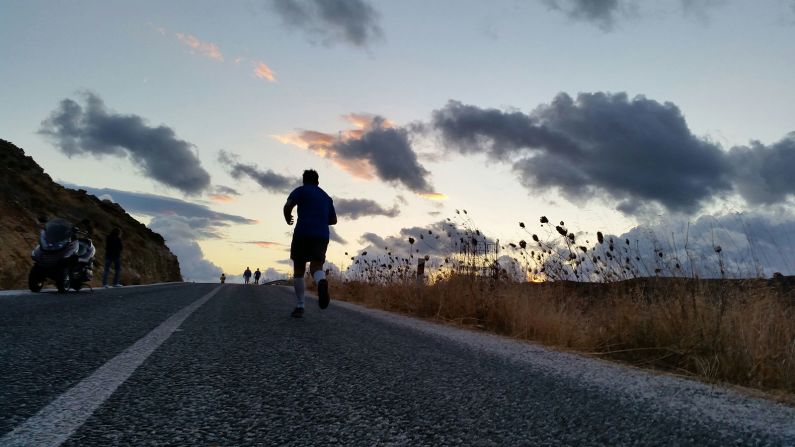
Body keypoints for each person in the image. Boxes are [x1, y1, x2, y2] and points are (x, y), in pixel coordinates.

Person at [284, 169, 337, 318]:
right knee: (316, 266)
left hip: (303, 233)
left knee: (299, 268)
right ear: (318, 181)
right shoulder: (326, 197)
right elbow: (333, 220)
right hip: (321, 235)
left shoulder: (300, 191)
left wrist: (288, 217)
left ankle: (300, 305)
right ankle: (321, 281)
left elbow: (288, 206)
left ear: (304, 180)